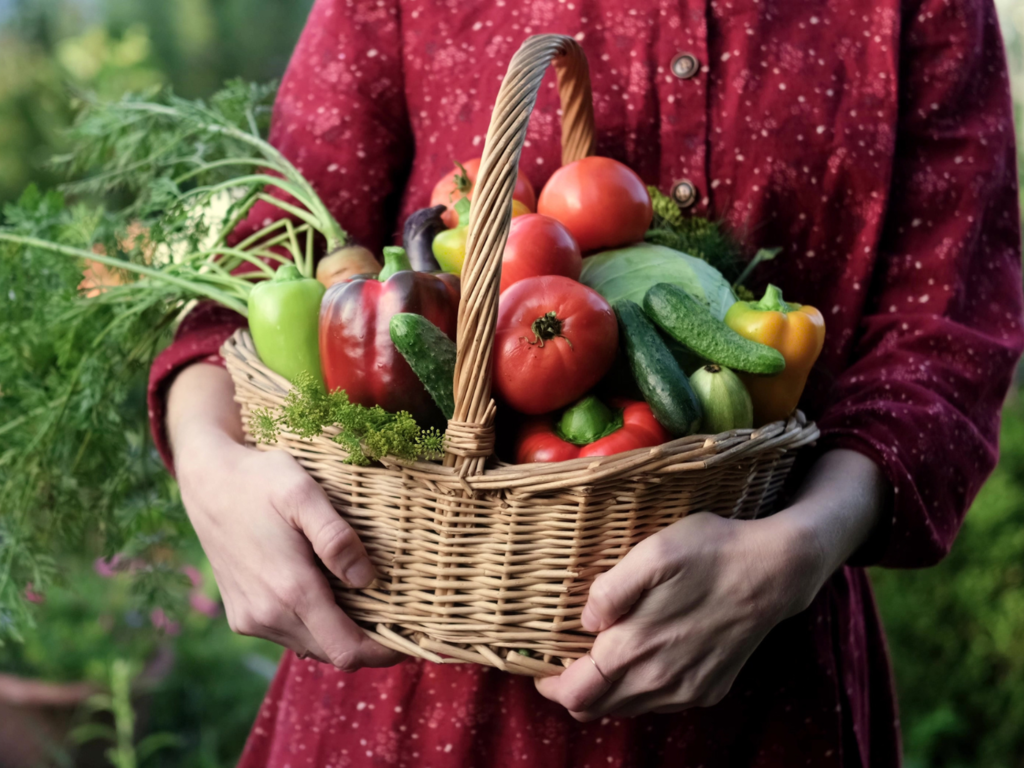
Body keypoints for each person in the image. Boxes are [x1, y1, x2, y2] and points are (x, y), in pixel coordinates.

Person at [149, 0, 1024, 765]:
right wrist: (209, 463)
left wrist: (802, 546)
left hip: (763, 682)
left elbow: (945, 344)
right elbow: (257, 270)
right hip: (415, 673)